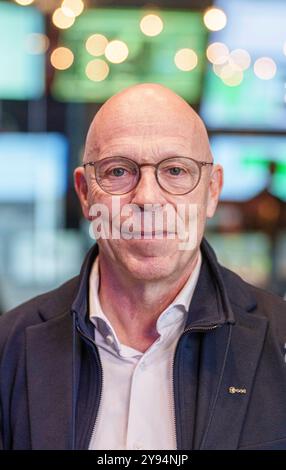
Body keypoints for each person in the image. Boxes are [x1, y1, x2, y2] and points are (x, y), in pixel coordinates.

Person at [0, 84, 286, 450]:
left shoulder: (278, 341)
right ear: (86, 193)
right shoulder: (10, 348)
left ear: (212, 191)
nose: (148, 199)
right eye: (119, 171)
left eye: (176, 171)